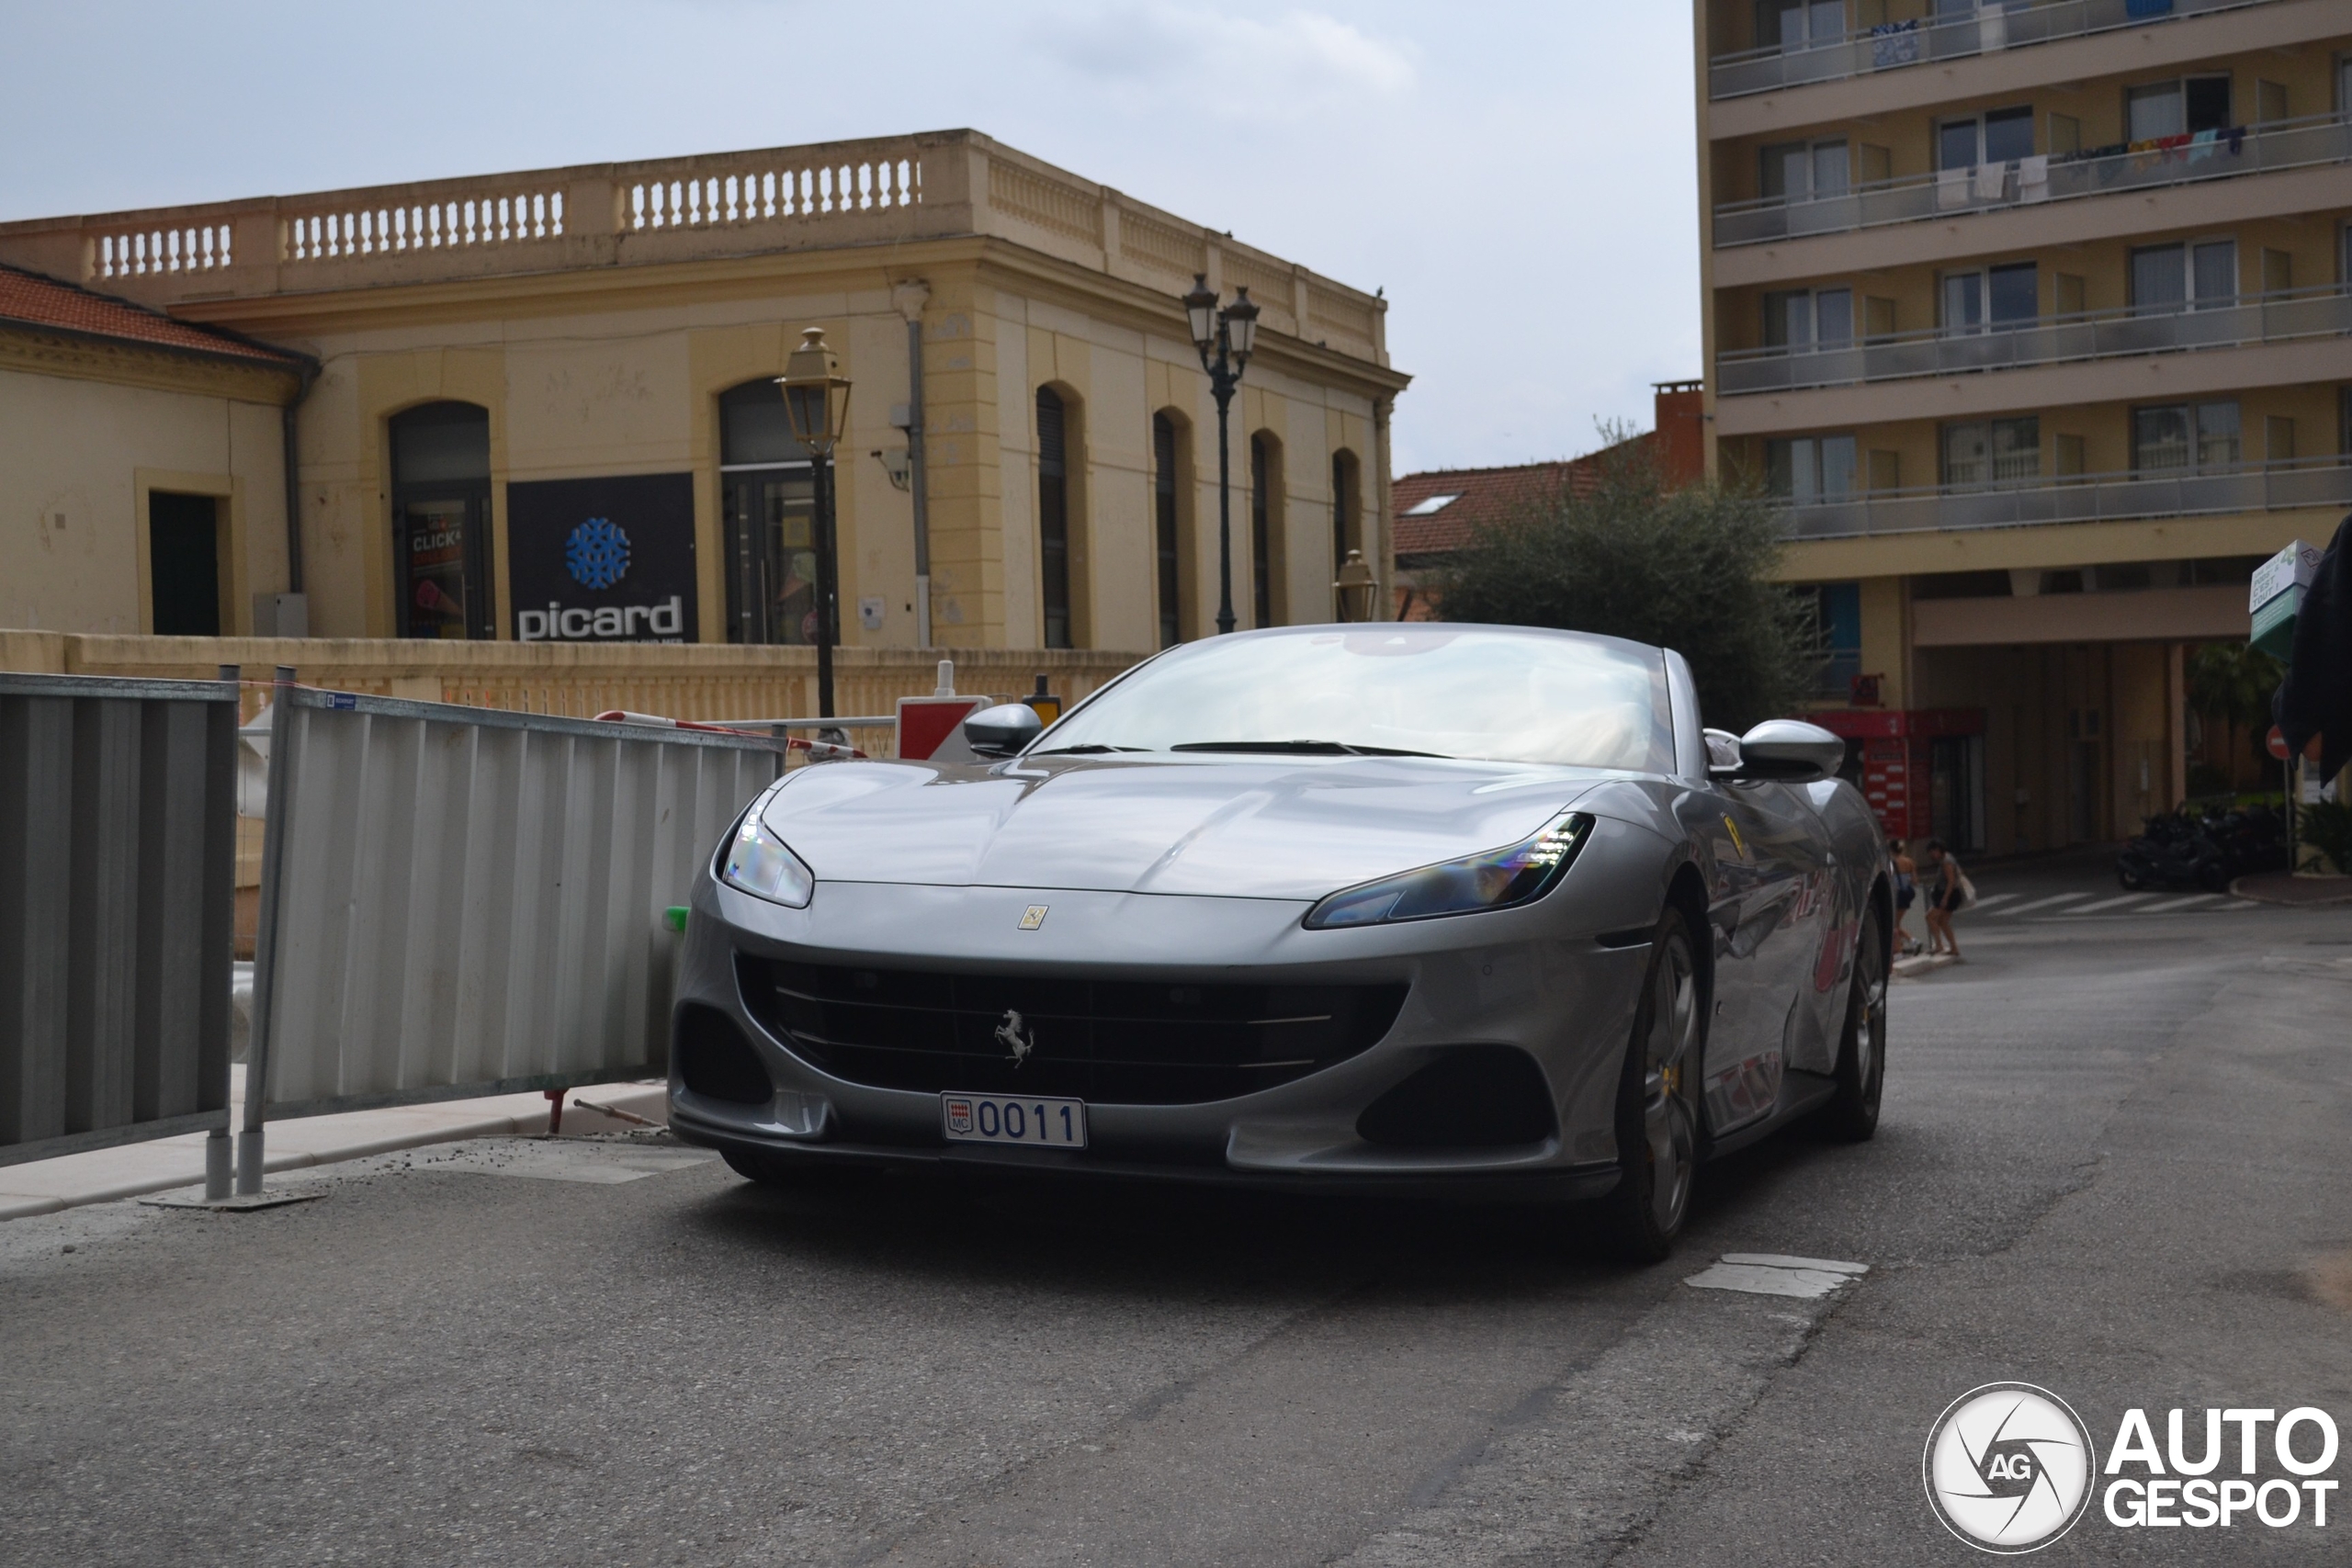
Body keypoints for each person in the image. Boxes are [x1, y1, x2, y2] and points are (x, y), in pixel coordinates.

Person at [1922, 839, 1970, 961]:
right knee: (1942, 921)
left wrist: (1945, 898)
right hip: (1950, 894)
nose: (1931, 855)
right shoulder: (1948, 858)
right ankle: (1953, 948)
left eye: (1932, 852)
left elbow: (1951, 881)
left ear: (1937, 850)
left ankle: (1939, 945)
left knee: (1930, 917)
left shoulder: (1946, 862)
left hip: (1948, 894)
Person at [1890, 839, 1921, 957]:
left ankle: (1910, 943)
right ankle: (1904, 945)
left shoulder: (1891, 863)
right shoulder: (1910, 862)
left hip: (1896, 895)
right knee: (1896, 923)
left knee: (1894, 925)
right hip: (1907, 894)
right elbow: (1915, 881)